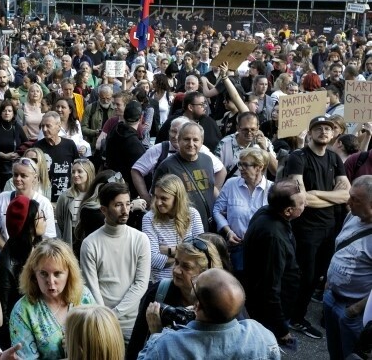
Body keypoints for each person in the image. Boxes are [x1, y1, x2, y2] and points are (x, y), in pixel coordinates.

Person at [284, 115, 351, 339]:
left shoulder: (334, 158)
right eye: (319, 128)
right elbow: (302, 198)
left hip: (330, 227)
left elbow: (347, 193)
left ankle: (294, 313)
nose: (324, 131)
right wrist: (333, 196)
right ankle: (294, 318)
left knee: (319, 275)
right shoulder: (298, 157)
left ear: (334, 135)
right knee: (306, 275)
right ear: (310, 133)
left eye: (328, 128)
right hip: (306, 229)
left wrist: (317, 193)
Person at [138, 269, 280, 360]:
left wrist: (156, 333)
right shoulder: (261, 335)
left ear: (197, 306)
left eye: (196, 283)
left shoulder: (165, 346)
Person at [125, 237, 224, 358]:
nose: (176, 270)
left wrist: (158, 334)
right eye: (176, 262)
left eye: (186, 267)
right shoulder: (159, 292)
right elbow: (136, 346)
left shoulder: (219, 299)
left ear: (205, 272)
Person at [80, 182, 151, 342]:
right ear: (104, 210)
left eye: (127, 204)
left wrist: (115, 313)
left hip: (132, 323)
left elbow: (141, 284)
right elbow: (92, 287)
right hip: (102, 323)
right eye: (118, 205)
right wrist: (105, 317)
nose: (125, 210)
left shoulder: (140, 239)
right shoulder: (90, 243)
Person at [243, 179, 307, 349]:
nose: (305, 204)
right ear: (288, 211)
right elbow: (270, 288)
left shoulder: (266, 211)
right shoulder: (274, 238)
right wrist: (281, 329)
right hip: (268, 315)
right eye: (301, 203)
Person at [10, 238, 95, 359]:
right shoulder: (22, 312)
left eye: (57, 273)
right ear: (34, 274)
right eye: (43, 273)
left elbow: (99, 343)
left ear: (69, 273)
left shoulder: (84, 297)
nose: (50, 281)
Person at [323, 175, 372, 359]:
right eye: (350, 195)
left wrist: (356, 309)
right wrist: (329, 281)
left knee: (350, 356)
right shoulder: (352, 215)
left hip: (352, 310)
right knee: (334, 353)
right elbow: (340, 246)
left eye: (355, 199)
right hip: (331, 297)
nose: (348, 201)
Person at [0, 195, 46, 348]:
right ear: (29, 226)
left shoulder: (37, 248)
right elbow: (3, 313)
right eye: (40, 217)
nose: (44, 220)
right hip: (20, 338)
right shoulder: (6, 264)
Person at [153, 121, 218, 231]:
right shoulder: (166, 166)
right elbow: (155, 199)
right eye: (186, 139)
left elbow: (211, 188)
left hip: (209, 226)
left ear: (202, 142)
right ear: (178, 140)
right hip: (182, 229)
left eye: (195, 140)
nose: (191, 144)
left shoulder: (208, 160)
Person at [143, 174, 204, 282]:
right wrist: (185, 255)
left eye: (164, 198)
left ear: (177, 198)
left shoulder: (193, 214)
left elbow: (201, 251)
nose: (158, 203)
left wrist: (170, 250)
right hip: (162, 283)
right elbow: (152, 259)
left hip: (189, 281)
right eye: (156, 197)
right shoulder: (149, 218)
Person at [0, 157, 56, 249]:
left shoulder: (44, 203)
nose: (18, 178)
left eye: (23, 176)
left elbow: (48, 237)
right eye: (15, 175)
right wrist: (8, 252)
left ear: (34, 178)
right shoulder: (3, 198)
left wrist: (30, 256)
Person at [34, 111, 80, 202]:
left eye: (48, 126)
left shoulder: (69, 145)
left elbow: (77, 167)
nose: (44, 129)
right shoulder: (37, 148)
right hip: (44, 198)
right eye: (42, 126)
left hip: (67, 198)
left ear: (58, 127)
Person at [105, 100, 147, 198]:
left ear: (124, 116)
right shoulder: (135, 144)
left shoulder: (115, 130)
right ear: (141, 118)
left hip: (112, 186)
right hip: (127, 193)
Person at [55, 158, 95, 245]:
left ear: (89, 173)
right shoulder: (65, 196)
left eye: (79, 171)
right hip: (72, 237)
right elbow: (60, 220)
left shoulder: (96, 195)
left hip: (92, 237)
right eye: (73, 172)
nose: (75, 175)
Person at [0, 99, 27, 186]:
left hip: (14, 167)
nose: (7, 113)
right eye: (4, 110)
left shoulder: (16, 126)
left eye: (9, 111)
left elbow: (26, 144)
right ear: (0, 113)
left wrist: (19, 154)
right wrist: (4, 155)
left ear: (13, 113)